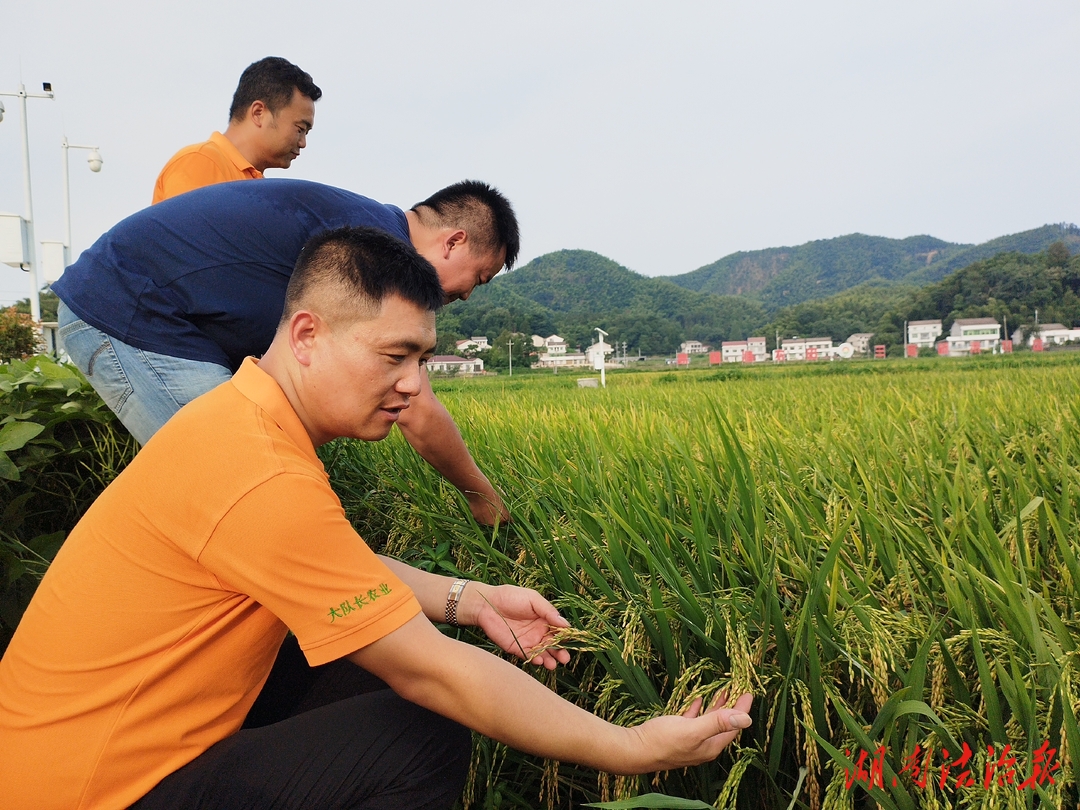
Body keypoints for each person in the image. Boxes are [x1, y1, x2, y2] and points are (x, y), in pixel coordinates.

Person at [0, 228, 753, 809]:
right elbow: (436, 674)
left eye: (423, 359)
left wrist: (471, 598)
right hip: (93, 793)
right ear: (306, 336)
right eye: (396, 355)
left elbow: (321, 562)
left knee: (340, 655)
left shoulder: (238, 422)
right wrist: (636, 747)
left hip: (72, 760)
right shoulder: (259, 470)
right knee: (417, 733)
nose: (412, 385)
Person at [54, 177, 515, 523]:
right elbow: (417, 406)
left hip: (165, 319)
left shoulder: (366, 228)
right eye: (479, 277)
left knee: (273, 480)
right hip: (129, 310)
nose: (471, 295)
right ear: (454, 241)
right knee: (255, 494)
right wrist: (483, 497)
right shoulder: (376, 253)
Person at [152, 56, 321, 204]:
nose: (303, 143)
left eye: (306, 133)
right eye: (300, 129)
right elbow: (188, 238)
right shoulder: (202, 162)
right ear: (258, 113)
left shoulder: (262, 188)